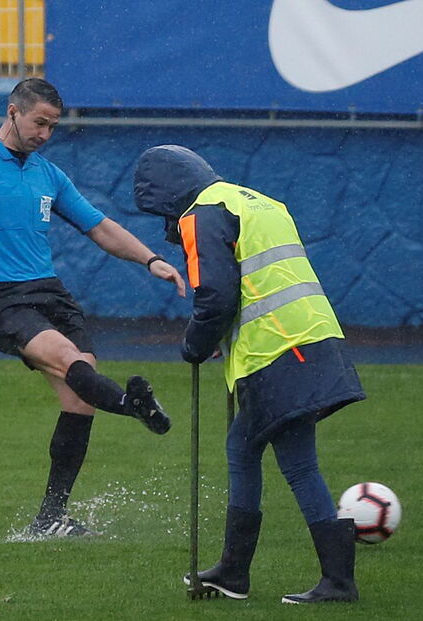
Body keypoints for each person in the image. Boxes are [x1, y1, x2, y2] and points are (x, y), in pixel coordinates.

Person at [0, 78, 186, 538]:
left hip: (50, 293)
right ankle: (130, 404)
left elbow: (99, 227)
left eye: (53, 126)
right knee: (69, 361)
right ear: (13, 112)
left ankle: (51, 517)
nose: (45, 134)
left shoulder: (48, 174)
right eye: (40, 122)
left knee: (80, 396)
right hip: (0, 298)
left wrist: (152, 259)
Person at [133, 145, 367, 604]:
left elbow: (216, 296)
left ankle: (335, 582)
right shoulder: (255, 201)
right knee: (244, 446)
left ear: (167, 193)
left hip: (278, 349)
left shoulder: (202, 213)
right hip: (311, 338)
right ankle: (234, 572)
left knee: (297, 464)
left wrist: (196, 345)